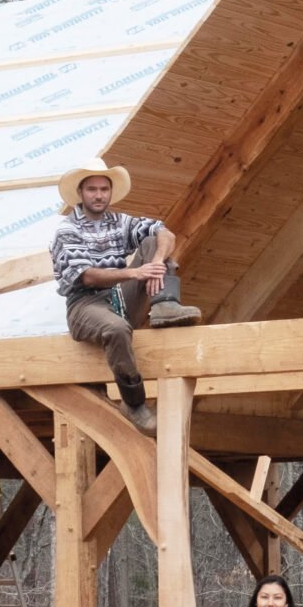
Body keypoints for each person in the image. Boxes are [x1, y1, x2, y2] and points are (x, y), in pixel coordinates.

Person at [52, 158, 202, 434]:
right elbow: (87, 276)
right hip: (85, 304)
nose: (99, 195)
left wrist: (156, 262)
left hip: (120, 298)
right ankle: (133, 403)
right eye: (92, 189)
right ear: (81, 193)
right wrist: (135, 273)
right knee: (116, 328)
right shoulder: (67, 230)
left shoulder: (119, 221)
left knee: (153, 241)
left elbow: (165, 233)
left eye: (104, 189)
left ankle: (165, 305)